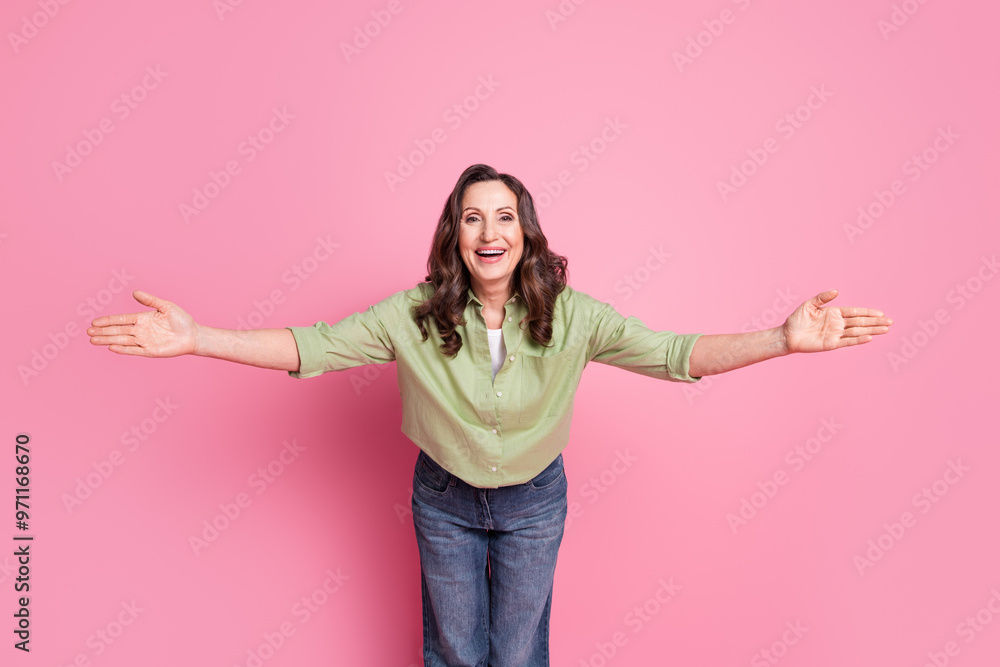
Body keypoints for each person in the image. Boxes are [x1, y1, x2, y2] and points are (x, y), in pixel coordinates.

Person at [87, 163, 893, 666]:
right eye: (472, 215)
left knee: (515, 654)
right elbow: (312, 346)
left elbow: (676, 354)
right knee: (454, 651)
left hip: (535, 500)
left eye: (503, 214)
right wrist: (196, 338)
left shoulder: (576, 316)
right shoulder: (413, 313)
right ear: (455, 235)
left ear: (526, 232)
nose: (488, 229)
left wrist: (782, 340)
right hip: (442, 497)